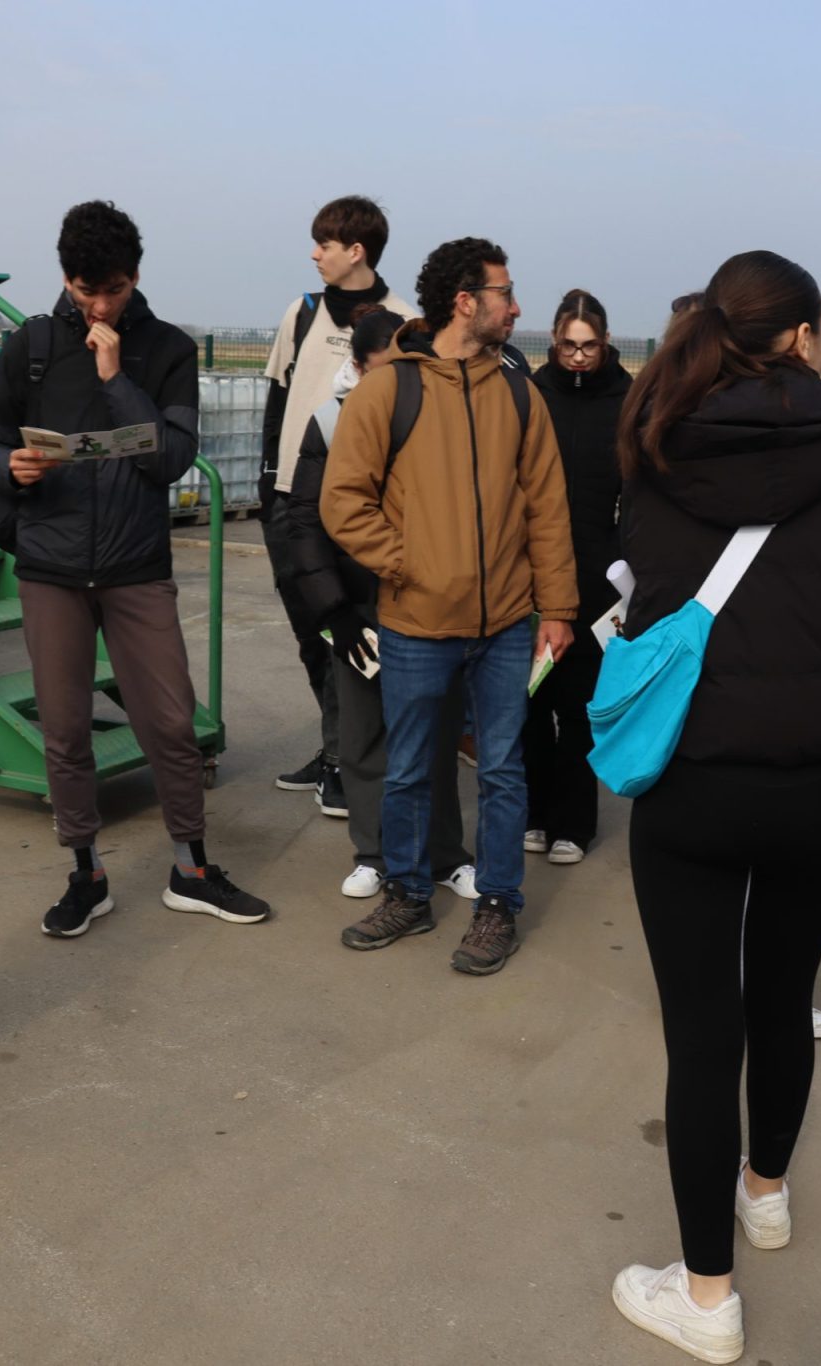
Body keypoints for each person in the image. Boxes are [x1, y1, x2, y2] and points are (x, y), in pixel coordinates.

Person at [607, 251, 821, 1362]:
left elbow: (638, 588)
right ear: (807, 333)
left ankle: (707, 1298)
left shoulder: (657, 444)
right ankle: (765, 1192)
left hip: (693, 777)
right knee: (783, 999)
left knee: (701, 1038)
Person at [0, 200, 270, 937]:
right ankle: (86, 874)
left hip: (136, 565)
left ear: (135, 277)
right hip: (51, 567)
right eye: (85, 291)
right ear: (64, 278)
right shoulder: (31, 346)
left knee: (170, 722)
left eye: (113, 290)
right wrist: (8, 467)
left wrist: (115, 378)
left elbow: (172, 458)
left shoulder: (167, 349)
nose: (99, 306)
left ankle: (191, 869)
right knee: (65, 728)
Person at [321, 237, 578, 976]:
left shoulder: (520, 395)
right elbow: (343, 502)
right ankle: (407, 893)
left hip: (507, 626)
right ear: (466, 302)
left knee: (502, 770)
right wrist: (410, 564)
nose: (517, 307)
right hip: (415, 622)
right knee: (406, 769)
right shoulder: (388, 391)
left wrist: (557, 609)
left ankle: (498, 905)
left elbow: (547, 510)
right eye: (505, 293)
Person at [286, 306, 478, 902]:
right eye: (382, 368)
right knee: (365, 735)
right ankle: (375, 854)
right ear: (358, 365)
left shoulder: (437, 415)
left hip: (430, 602)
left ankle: (445, 855)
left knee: (437, 733)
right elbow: (305, 523)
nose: (394, 381)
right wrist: (335, 611)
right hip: (359, 609)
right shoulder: (329, 421)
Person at [260, 196, 420, 816]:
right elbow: (278, 403)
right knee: (311, 633)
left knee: (351, 636)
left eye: (324, 244)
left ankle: (349, 761)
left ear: (356, 251)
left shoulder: (403, 322)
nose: (314, 254)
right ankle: (336, 750)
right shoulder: (300, 314)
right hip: (291, 502)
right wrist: (269, 487)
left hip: (362, 510)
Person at [521, 289, 630, 866]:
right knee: (531, 702)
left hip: (599, 579)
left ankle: (574, 824)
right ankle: (534, 814)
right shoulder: (531, 393)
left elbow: (639, 493)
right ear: (553, 340)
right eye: (569, 345)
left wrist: (622, 564)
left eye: (589, 346)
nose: (579, 356)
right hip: (533, 571)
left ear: (606, 343)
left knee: (581, 706)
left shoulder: (629, 401)